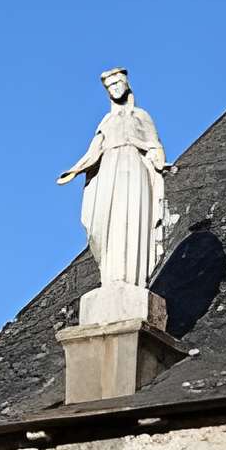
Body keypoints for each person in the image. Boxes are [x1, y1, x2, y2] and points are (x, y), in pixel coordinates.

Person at [57, 68, 172, 292]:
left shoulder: (140, 116)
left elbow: (154, 145)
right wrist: (74, 171)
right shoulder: (106, 121)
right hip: (108, 173)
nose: (115, 89)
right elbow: (94, 151)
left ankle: (130, 279)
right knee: (102, 224)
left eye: (118, 84)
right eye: (110, 87)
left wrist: (160, 163)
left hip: (134, 171)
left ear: (126, 85)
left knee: (130, 218)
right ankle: (110, 276)